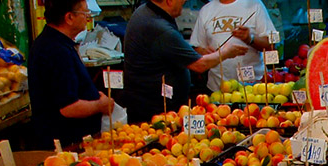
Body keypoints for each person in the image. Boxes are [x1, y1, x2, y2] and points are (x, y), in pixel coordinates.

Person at [123, 0, 246, 124]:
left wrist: (197, 53)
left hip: (153, 104)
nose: (185, 1)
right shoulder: (159, 28)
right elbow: (199, 65)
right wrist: (226, 52)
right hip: (156, 112)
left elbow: (169, 51)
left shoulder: (146, 12)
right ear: (169, 1)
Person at [27, 0, 114, 148]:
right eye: (85, 13)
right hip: (66, 146)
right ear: (69, 18)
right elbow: (68, 107)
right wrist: (100, 105)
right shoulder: (56, 51)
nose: (88, 18)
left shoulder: (57, 43)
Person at [190, 0, 277, 93]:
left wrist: (250, 39)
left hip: (253, 89)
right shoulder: (206, 10)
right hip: (217, 90)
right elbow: (196, 47)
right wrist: (204, 52)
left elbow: (272, 44)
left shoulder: (255, 4)